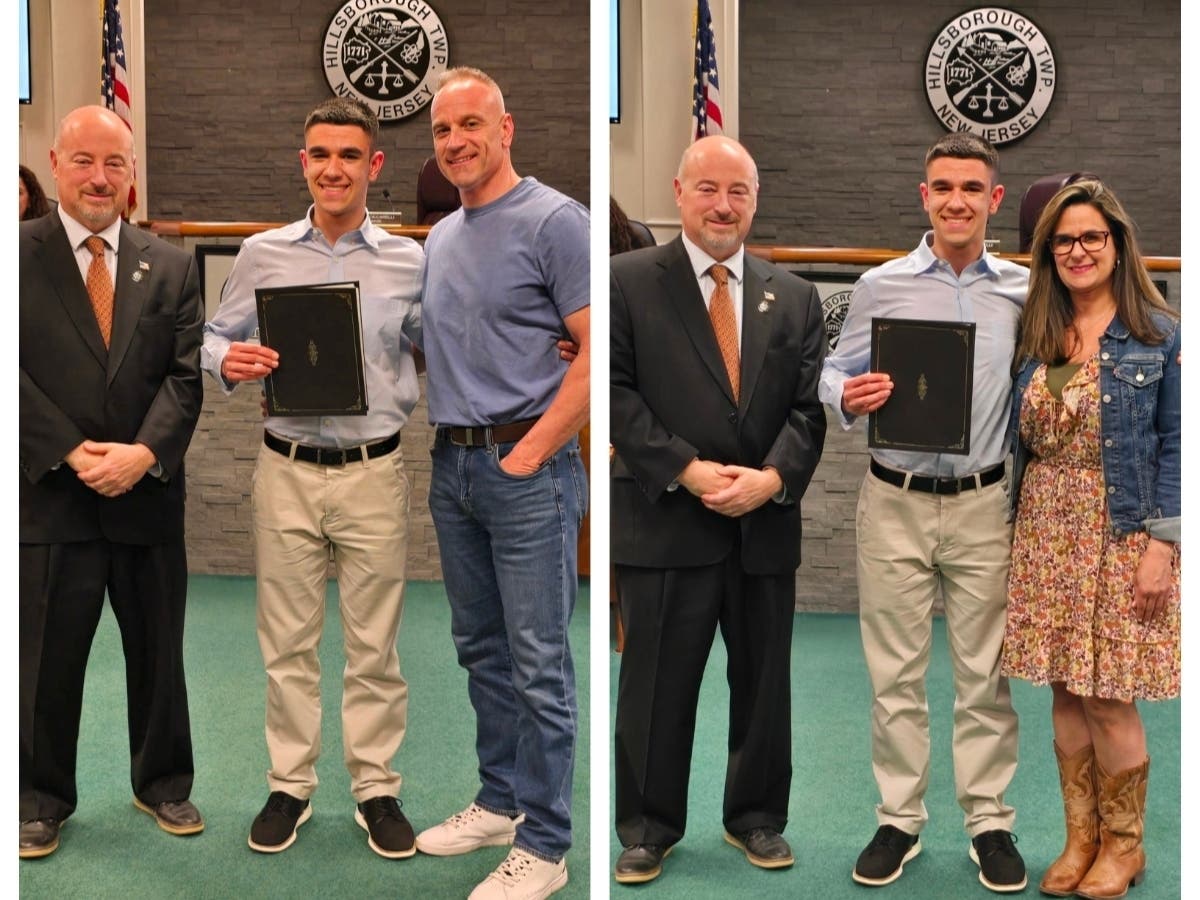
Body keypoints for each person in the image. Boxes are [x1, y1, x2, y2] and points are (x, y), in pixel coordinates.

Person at [200, 97, 423, 859]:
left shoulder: (409, 261)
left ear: (374, 166)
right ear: (304, 162)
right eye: (321, 154)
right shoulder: (263, 253)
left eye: (350, 156)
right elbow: (213, 335)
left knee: (375, 646)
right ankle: (290, 785)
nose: (334, 168)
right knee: (287, 642)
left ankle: (376, 787)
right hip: (286, 468)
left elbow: (446, 345)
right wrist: (225, 361)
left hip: (373, 470)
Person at [610, 135, 828, 884]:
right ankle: (647, 827)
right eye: (708, 188)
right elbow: (614, 397)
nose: (723, 205)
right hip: (666, 522)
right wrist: (690, 472)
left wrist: (772, 480)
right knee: (654, 686)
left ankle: (757, 819)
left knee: (765, 685)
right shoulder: (626, 282)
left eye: (737, 190)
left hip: (763, 528)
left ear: (755, 200)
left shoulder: (794, 297)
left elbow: (807, 413)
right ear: (678, 192)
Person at [818, 132, 1029, 893]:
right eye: (943, 187)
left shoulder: (1022, 289)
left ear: (993, 199)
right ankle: (900, 819)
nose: (957, 201)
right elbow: (833, 371)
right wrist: (845, 394)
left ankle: (990, 821)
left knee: (985, 674)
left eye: (972, 188)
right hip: (895, 500)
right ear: (924, 196)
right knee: (895, 676)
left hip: (984, 504)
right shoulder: (881, 286)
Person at [411, 67, 589, 900]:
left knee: (539, 662)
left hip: (527, 471)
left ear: (506, 128)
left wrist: (534, 450)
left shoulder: (556, 221)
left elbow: (596, 348)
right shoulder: (442, 234)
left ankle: (547, 847)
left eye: (472, 125)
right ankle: (500, 801)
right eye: (444, 130)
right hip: (454, 467)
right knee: (480, 649)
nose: (457, 142)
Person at [19, 105, 205, 858]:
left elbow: (185, 378)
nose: (100, 178)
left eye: (116, 164)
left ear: (132, 176)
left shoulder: (170, 264)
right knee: (44, 660)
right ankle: (38, 798)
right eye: (85, 161)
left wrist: (141, 455)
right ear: (56, 165)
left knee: (159, 653)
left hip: (147, 497)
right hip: (50, 497)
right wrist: (71, 452)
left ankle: (162, 782)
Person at [1001, 179, 1179, 899]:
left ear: (1117, 245)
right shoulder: (1037, 332)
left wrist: (1163, 545)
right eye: (1063, 240)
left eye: (1091, 238)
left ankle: (1125, 847)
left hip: (1121, 529)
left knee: (1111, 695)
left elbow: (1178, 445)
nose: (1077, 251)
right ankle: (1082, 839)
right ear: (1047, 253)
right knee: (1067, 690)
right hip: (1046, 525)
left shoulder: (1160, 336)